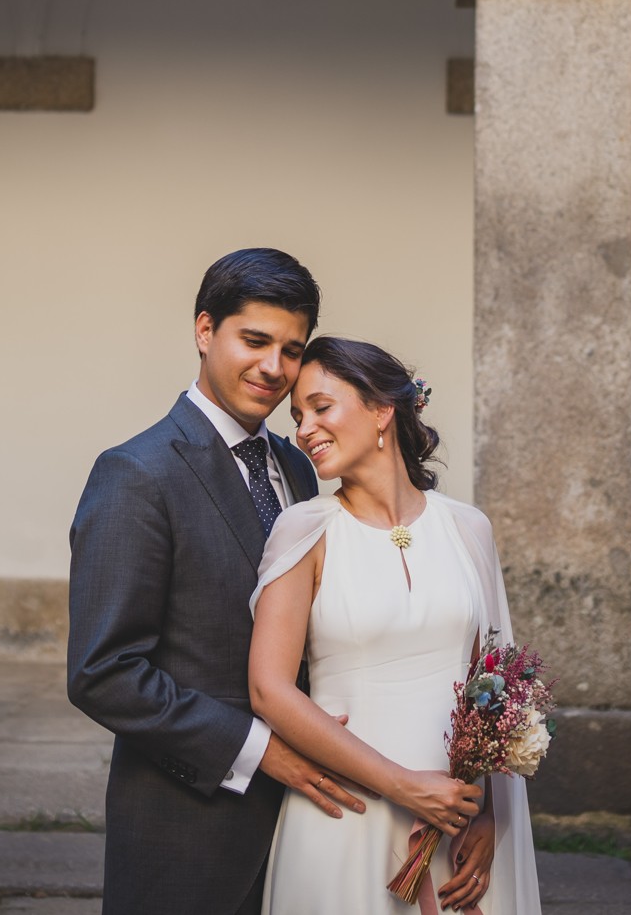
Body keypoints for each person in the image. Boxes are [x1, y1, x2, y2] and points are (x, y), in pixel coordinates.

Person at [69, 248, 393, 915]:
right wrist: (261, 750)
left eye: (291, 348)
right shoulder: (136, 473)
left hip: (311, 830)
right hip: (188, 829)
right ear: (204, 329)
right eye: (254, 340)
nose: (274, 367)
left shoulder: (298, 468)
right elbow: (103, 670)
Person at [249, 337, 541, 914]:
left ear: (382, 410)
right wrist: (401, 785)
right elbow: (269, 689)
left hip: (462, 828)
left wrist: (491, 816)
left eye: (321, 407)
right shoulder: (302, 529)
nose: (305, 429)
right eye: (298, 416)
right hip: (348, 815)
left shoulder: (468, 528)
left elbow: (502, 686)